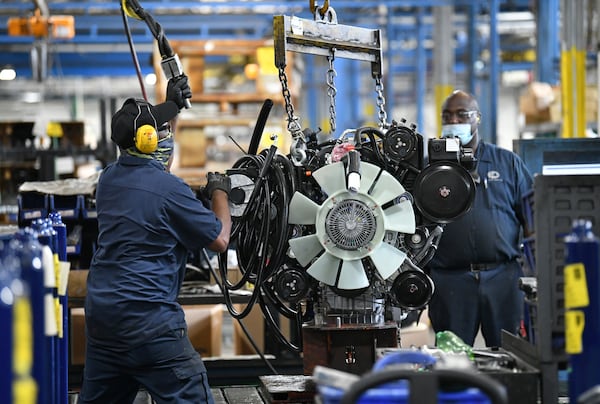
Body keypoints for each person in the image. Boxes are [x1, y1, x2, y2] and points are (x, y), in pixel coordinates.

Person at [79, 75, 231, 404]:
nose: (168, 135)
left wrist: (171, 104)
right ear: (151, 141)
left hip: (104, 320)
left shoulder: (107, 180)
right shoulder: (169, 190)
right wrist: (220, 191)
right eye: (163, 131)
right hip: (149, 324)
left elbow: (155, 165)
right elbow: (219, 239)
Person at [426, 89, 533, 348]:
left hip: (503, 279)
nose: (454, 122)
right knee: (452, 360)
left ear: (477, 118)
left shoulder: (507, 163)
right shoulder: (430, 169)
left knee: (512, 357)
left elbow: (532, 218)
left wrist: (535, 270)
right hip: (450, 282)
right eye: (447, 116)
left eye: (462, 115)